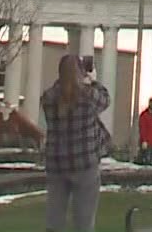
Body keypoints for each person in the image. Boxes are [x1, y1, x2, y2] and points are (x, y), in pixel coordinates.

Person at [40, 53, 110, 232]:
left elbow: (60, 92)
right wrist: (93, 80)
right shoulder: (88, 96)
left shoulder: (48, 98)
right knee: (84, 223)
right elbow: (105, 99)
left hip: (57, 164)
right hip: (85, 163)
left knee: (54, 220)